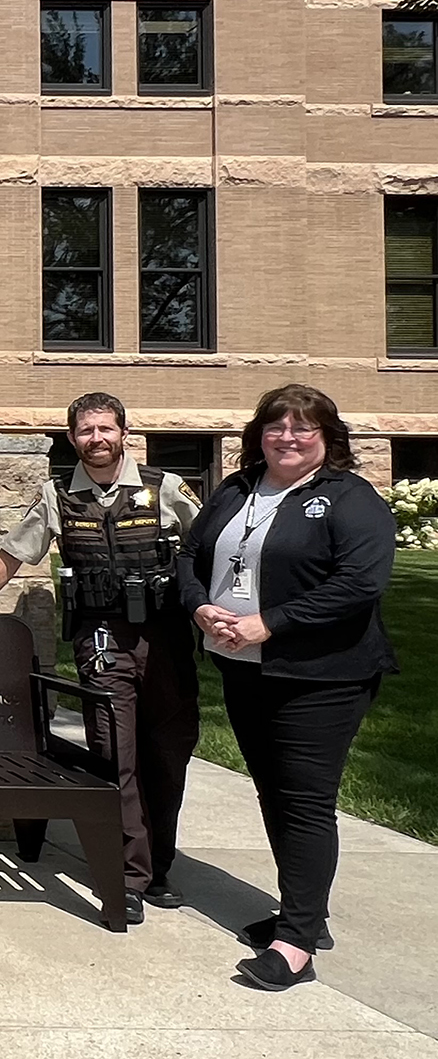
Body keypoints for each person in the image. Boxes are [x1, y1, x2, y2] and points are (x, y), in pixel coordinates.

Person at [0, 392, 202, 925]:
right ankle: (129, 877)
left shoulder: (166, 489)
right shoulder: (57, 496)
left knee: (167, 756)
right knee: (115, 757)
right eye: (86, 431)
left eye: (106, 429)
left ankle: (160, 866)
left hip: (166, 640)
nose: (97, 440)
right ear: (72, 438)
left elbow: (211, 549)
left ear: (125, 433)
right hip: (102, 638)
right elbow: (14, 552)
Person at [177, 384, 396, 992]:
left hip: (322, 676)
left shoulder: (350, 499)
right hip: (245, 669)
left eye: (304, 428)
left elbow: (360, 582)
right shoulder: (237, 490)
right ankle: (304, 913)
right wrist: (200, 608)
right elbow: (191, 556)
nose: (288, 437)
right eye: (276, 426)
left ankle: (296, 944)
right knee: (274, 794)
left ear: (327, 438)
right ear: (259, 434)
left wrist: (270, 622)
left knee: (303, 801)